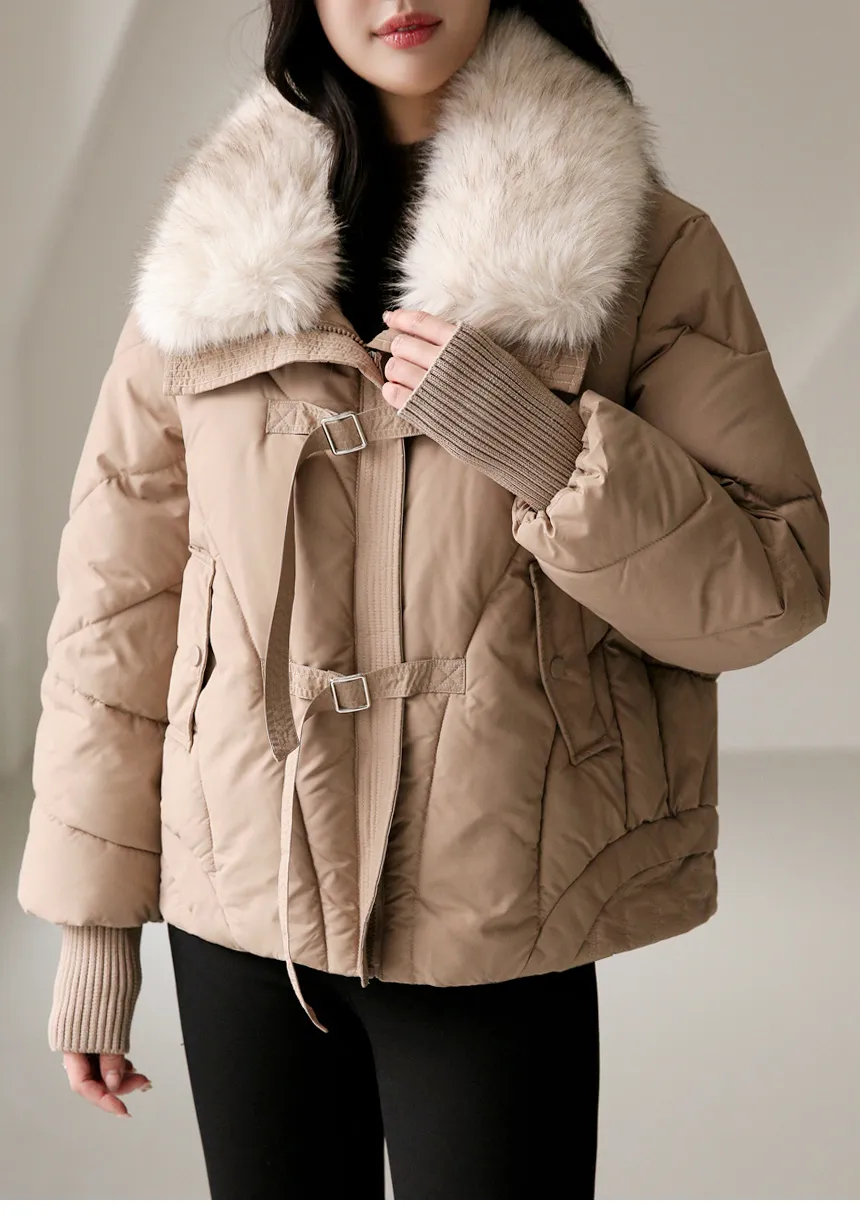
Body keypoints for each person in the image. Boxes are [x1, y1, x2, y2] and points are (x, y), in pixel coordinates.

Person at [17, 0, 830, 1202]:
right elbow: (118, 600)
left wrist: (544, 451)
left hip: (496, 909)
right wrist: (93, 928)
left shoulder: (642, 248)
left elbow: (770, 584)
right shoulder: (208, 255)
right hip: (235, 909)